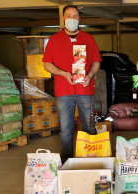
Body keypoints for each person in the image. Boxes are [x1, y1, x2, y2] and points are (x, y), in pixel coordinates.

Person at [43, 5, 101, 162]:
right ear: (63, 18)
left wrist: (89, 75)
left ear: (79, 19)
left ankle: (92, 159)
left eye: (75, 16)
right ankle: (66, 161)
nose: (72, 19)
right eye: (69, 16)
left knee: (89, 127)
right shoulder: (54, 40)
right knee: (66, 130)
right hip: (64, 91)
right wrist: (63, 73)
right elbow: (47, 64)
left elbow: (96, 63)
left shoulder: (88, 38)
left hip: (85, 90)